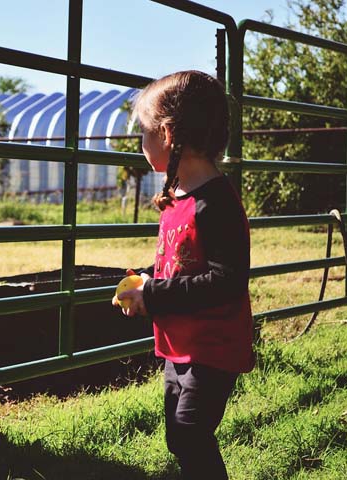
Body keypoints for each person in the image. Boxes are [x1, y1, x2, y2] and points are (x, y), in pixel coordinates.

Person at [112, 70, 255, 480]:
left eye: (144, 133)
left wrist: (154, 294)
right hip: (180, 343)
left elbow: (226, 281)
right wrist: (146, 280)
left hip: (213, 347)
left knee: (191, 433)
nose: (141, 144)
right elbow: (180, 264)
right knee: (179, 436)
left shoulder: (217, 204)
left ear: (168, 134)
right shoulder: (178, 198)